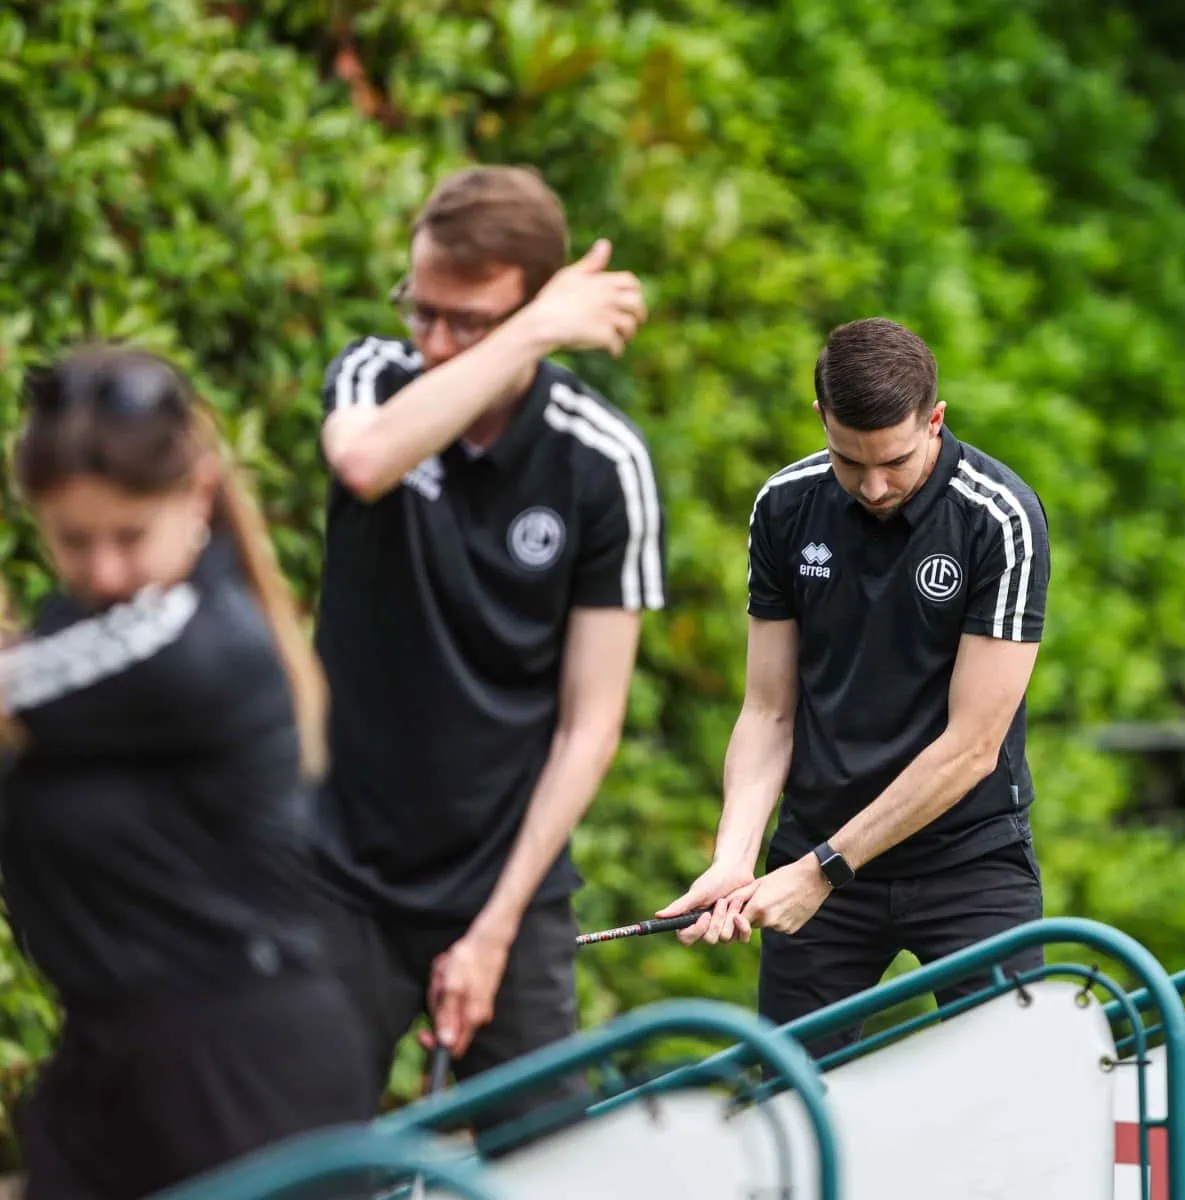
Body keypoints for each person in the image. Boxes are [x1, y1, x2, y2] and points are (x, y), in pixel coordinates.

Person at [310, 164, 661, 1119]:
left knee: (551, 1157)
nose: (432, 342)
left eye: (466, 322)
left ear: (533, 303)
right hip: (338, 875)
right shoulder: (375, 378)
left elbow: (590, 727)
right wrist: (530, 331)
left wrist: (495, 929)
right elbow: (366, 460)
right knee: (286, 1162)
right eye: (420, 309)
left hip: (509, 883)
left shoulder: (603, 462)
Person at [0, 346, 372, 1199]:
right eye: (72, 541)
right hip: (111, 1070)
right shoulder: (81, 629)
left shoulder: (201, 638)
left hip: (243, 1079)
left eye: (129, 537)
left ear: (199, 493)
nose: (103, 571)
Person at [659, 317, 1052, 1057]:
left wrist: (824, 871)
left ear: (935, 420)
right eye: (848, 459)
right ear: (821, 419)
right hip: (815, 852)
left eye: (895, 461)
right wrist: (734, 857)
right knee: (789, 1098)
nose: (873, 486)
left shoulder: (999, 517)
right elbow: (768, 711)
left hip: (966, 862)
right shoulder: (785, 506)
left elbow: (972, 747)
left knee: (1014, 1089)